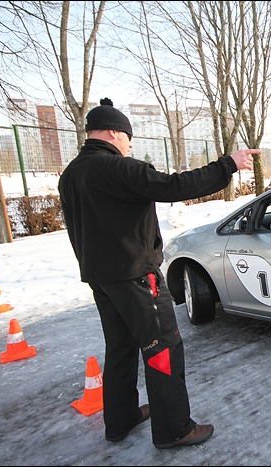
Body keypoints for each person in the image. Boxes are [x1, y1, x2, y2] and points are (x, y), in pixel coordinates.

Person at [58, 98, 258, 449]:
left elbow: (77, 227)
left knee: (119, 348)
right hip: (137, 277)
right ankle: (174, 429)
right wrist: (229, 164)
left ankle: (119, 420)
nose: (129, 145)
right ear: (112, 133)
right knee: (163, 348)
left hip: (102, 279)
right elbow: (175, 186)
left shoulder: (72, 174)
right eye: (127, 138)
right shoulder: (119, 169)